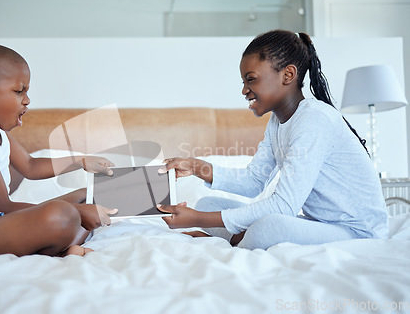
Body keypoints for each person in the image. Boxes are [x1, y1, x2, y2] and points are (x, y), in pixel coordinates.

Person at [157, 29, 388, 250]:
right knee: (208, 204)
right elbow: (253, 181)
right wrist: (197, 167)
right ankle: (238, 240)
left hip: (357, 231)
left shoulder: (314, 119)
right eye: (244, 82)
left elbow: (284, 206)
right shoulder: (277, 123)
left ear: (287, 75)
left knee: (269, 227)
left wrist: (199, 220)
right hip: (320, 224)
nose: (244, 90)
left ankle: (231, 244)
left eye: (251, 79)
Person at [0, 42, 116, 259]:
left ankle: (62, 245)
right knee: (63, 214)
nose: (27, 100)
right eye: (19, 91)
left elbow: (30, 166)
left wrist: (81, 161)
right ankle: (64, 242)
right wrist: (75, 213)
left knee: (86, 197)